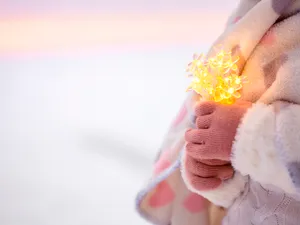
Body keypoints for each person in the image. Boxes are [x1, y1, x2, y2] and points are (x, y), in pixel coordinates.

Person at [136, 0, 300, 224]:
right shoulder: (257, 16)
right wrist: (215, 173)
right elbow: (250, 184)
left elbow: (243, 139)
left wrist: (248, 134)